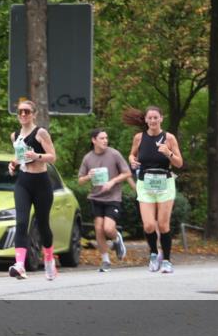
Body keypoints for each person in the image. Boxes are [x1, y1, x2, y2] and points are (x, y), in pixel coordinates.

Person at [125, 106, 184, 274]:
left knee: (163, 225)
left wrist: (168, 153)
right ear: (145, 120)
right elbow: (132, 155)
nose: (152, 121)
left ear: (161, 119)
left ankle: (167, 261)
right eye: (149, 118)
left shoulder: (169, 138)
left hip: (165, 183)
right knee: (149, 225)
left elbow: (179, 163)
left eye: (155, 118)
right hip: (145, 184)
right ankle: (153, 253)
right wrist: (132, 161)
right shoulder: (139, 138)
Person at [7, 99, 59, 280]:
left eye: (27, 112)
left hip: (41, 183)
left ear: (34, 114)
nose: (23, 114)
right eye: (20, 111)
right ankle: (20, 265)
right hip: (23, 182)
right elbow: (19, 158)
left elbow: (53, 157)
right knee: (21, 223)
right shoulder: (14, 136)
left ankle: (49, 259)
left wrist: (37, 156)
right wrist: (12, 165)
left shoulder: (40, 133)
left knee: (43, 225)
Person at [77, 129, 132, 272]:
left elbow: (127, 173)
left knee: (108, 228)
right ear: (93, 140)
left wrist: (112, 182)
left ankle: (116, 238)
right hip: (96, 197)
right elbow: (80, 181)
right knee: (98, 228)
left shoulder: (114, 154)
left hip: (113, 197)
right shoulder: (88, 158)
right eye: (102, 138)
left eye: (106, 138)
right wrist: (88, 176)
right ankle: (105, 260)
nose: (105, 141)